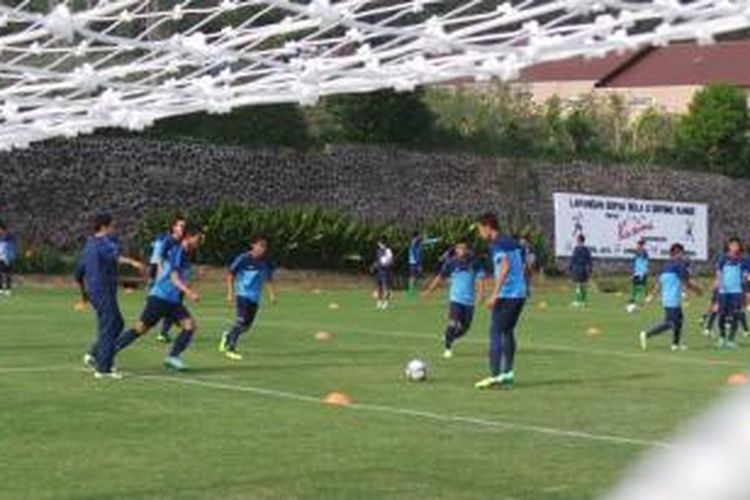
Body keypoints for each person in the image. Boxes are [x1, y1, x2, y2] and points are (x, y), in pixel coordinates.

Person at [115, 225, 203, 370]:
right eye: (198, 238)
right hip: (160, 297)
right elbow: (174, 278)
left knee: (189, 325)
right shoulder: (178, 251)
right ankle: (106, 352)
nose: (200, 242)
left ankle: (172, 357)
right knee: (140, 329)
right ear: (188, 237)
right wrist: (189, 292)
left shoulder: (186, 254)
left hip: (172, 301)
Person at [77, 214, 144, 379]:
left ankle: (95, 353)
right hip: (103, 289)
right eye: (112, 226)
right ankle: (103, 368)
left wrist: (84, 295)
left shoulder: (88, 244)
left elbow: (79, 272)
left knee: (116, 323)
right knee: (109, 325)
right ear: (104, 227)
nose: (114, 229)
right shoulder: (104, 242)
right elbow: (115, 257)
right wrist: (133, 263)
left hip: (94, 291)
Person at [474, 213, 527, 389]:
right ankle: (508, 373)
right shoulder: (509, 240)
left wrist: (494, 294)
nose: (479, 233)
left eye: (480, 229)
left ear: (488, 226)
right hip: (519, 294)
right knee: (508, 331)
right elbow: (519, 264)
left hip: (507, 295)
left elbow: (505, 265)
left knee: (495, 331)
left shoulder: (496, 243)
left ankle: (495, 375)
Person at [422, 242, 486, 359]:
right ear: (456, 250)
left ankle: (449, 337)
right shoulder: (451, 263)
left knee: (465, 328)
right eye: (459, 248)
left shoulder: (474, 262)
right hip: (455, 299)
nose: (461, 250)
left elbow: (481, 278)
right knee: (453, 323)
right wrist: (429, 290)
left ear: (467, 249)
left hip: (469, 301)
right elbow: (440, 277)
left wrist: (481, 294)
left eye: (464, 248)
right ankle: (448, 349)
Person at [219, 235, 277, 360]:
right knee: (240, 322)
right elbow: (230, 274)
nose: (263, 248)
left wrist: (272, 294)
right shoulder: (243, 258)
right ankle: (230, 348)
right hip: (242, 295)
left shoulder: (266, 261)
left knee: (246, 327)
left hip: (255, 298)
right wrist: (230, 292)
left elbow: (269, 278)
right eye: (261, 245)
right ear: (253, 245)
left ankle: (228, 335)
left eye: (265, 246)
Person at [639, 243, 700, 351]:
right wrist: (697, 290)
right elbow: (686, 282)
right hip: (672, 298)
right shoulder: (679, 265)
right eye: (681, 253)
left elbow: (659, 282)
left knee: (679, 320)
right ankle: (646, 334)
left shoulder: (666, 265)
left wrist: (652, 295)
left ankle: (675, 345)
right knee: (670, 323)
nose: (682, 256)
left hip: (668, 298)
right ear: (678, 252)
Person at [148, 216, 187, 343]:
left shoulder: (183, 242)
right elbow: (160, 260)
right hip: (167, 281)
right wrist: (158, 277)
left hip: (178, 280)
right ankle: (161, 328)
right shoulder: (168, 241)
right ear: (174, 227)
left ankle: (164, 332)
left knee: (174, 303)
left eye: (184, 226)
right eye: (180, 226)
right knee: (166, 305)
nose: (182, 228)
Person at [715, 237, 748, 349]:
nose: (734, 247)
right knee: (722, 314)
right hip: (724, 291)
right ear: (728, 246)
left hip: (736, 291)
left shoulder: (743, 260)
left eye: (737, 245)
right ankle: (722, 337)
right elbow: (719, 273)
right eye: (732, 245)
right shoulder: (723, 258)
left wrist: (745, 278)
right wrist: (719, 285)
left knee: (736, 314)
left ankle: (731, 340)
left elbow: (745, 275)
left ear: (739, 247)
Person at [569, 234, 592, 307]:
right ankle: (583, 301)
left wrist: (570, 267)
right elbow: (589, 261)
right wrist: (590, 269)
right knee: (583, 285)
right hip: (583, 269)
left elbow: (573, 259)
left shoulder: (577, 249)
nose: (577, 241)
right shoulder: (586, 250)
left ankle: (578, 301)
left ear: (580, 240)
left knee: (579, 285)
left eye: (578, 240)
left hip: (578, 268)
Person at [371, 237, 394, 310]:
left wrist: (385, 262)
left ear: (382, 243)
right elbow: (377, 260)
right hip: (378, 271)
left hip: (385, 271)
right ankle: (379, 302)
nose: (378, 244)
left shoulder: (388, 251)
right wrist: (373, 266)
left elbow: (390, 261)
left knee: (386, 287)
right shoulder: (378, 251)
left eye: (379, 243)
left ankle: (386, 303)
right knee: (379, 287)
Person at [628, 239, 649, 309]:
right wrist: (633, 273)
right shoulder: (637, 254)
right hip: (636, 272)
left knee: (642, 287)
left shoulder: (644, 253)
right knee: (634, 286)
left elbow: (645, 264)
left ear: (642, 245)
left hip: (642, 273)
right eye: (638, 245)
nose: (638, 246)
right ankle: (633, 299)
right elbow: (635, 264)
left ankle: (642, 300)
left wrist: (642, 273)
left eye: (640, 245)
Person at [0, 221, 18, 296]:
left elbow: (11, 248)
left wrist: (9, 258)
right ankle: (0, 289)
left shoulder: (9, 236)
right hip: (1, 258)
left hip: (7, 258)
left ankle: (8, 289)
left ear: (3, 229)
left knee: (7, 274)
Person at [407, 232, 423, 297]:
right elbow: (414, 253)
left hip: (414, 262)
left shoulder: (416, 242)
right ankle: (411, 290)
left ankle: (413, 289)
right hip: (414, 262)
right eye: (418, 236)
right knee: (412, 276)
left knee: (414, 276)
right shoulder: (414, 242)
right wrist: (418, 263)